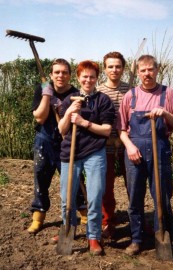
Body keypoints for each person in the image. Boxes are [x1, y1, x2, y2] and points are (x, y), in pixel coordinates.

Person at [117, 55, 173, 255]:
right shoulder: (130, 96)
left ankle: (162, 236)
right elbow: (121, 129)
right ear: (137, 72)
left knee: (162, 198)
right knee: (135, 199)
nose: (147, 73)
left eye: (150, 69)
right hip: (135, 152)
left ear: (157, 70)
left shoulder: (168, 93)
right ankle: (136, 239)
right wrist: (129, 146)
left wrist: (165, 113)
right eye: (143, 70)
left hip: (160, 151)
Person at [58, 60, 115, 255]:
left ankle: (93, 236)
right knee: (67, 198)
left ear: (96, 78)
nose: (88, 80)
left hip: (95, 153)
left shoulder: (103, 101)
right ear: (78, 78)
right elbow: (62, 130)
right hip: (71, 153)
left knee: (95, 196)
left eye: (92, 76)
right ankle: (68, 230)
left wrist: (83, 122)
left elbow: (107, 131)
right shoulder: (69, 100)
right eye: (84, 76)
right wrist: (69, 114)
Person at [27, 58, 80, 234]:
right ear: (51, 74)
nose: (60, 75)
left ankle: (84, 213)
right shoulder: (42, 89)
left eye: (64, 72)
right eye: (57, 72)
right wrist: (46, 95)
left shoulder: (76, 93)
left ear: (70, 75)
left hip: (67, 141)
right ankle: (38, 217)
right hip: (45, 140)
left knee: (75, 179)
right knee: (41, 178)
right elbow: (40, 118)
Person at [96, 52, 129, 238]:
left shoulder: (131, 89)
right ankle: (108, 221)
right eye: (110, 66)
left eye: (118, 66)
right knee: (106, 186)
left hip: (127, 144)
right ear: (105, 69)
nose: (114, 70)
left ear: (123, 68)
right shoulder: (99, 91)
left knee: (133, 184)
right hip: (105, 144)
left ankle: (138, 220)